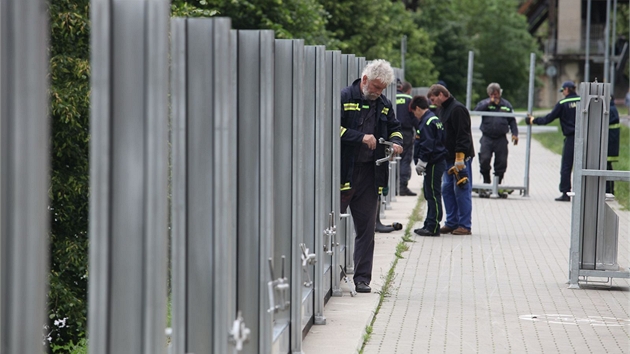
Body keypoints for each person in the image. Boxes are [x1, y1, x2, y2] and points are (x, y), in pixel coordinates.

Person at [340, 59, 403, 293]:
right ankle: (325, 271)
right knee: (331, 221)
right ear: (365, 80)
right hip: (343, 172)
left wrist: (396, 142)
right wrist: (361, 137)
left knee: (367, 229)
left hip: (370, 173)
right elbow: (332, 129)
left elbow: (396, 127)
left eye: (382, 89)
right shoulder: (345, 97)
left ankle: (362, 279)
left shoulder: (384, 104)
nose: (378, 93)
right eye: (376, 87)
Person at [427, 84, 475, 235]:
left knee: (461, 190)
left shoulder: (457, 109)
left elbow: (463, 134)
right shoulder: (443, 110)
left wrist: (459, 157)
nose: (433, 103)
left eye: (434, 99)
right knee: (447, 190)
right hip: (447, 158)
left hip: (460, 158)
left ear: (441, 94)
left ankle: (465, 225)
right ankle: (452, 222)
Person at [525, 80, 580, 201]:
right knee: (584, 166)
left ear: (566, 89)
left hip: (571, 138)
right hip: (585, 138)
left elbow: (548, 119)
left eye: (563, 91)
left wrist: (533, 120)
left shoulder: (562, 103)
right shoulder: (583, 100)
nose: (563, 93)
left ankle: (566, 193)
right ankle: (585, 193)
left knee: (566, 166)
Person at [410, 96, 447, 236]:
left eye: (414, 112)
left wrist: (422, 162)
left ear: (418, 108)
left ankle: (433, 227)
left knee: (433, 194)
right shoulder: (433, 118)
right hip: (436, 161)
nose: (415, 115)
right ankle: (428, 223)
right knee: (429, 193)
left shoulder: (427, 121)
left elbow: (427, 144)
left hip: (433, 163)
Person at [473, 83, 518, 197]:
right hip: (487, 137)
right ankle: (486, 183)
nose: (495, 96)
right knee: (484, 159)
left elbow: (512, 120)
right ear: (489, 94)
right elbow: (477, 111)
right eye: (492, 94)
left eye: (496, 94)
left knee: (501, 162)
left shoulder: (506, 105)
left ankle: (497, 185)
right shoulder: (484, 103)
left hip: (501, 138)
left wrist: (515, 133)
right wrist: (489, 103)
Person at [396, 80, 417, 196]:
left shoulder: (389, 96)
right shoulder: (409, 99)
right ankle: (402, 186)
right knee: (405, 159)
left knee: (392, 159)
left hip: (392, 132)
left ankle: (392, 186)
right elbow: (415, 117)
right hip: (406, 133)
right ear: (408, 90)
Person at [607, 95, 620, 195]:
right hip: (611, 144)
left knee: (607, 168)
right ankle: (609, 190)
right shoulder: (613, 109)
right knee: (608, 167)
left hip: (609, 144)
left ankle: (608, 190)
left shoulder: (610, 110)